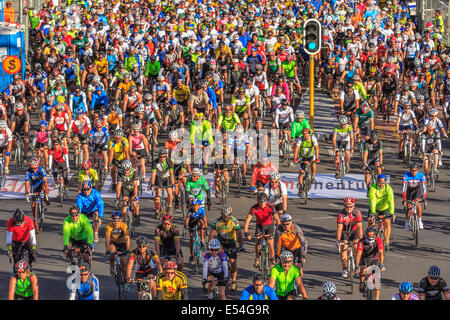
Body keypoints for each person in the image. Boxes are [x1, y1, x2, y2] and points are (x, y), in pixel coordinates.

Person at [209, 205, 244, 292]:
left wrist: (241, 245)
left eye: (227, 216)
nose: (226, 218)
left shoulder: (234, 221)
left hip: (231, 242)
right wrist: (210, 245)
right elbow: (212, 234)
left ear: (230, 215)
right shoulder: (217, 221)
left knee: (233, 262)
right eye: (224, 217)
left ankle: (234, 281)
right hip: (221, 242)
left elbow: (239, 234)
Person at [244, 192, 280, 269]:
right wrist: (246, 232)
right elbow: (248, 220)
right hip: (259, 226)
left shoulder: (271, 207)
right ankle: (257, 258)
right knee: (258, 242)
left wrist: (279, 228)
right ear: (258, 201)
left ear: (266, 201)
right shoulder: (254, 208)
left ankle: (272, 260)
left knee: (270, 243)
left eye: (263, 202)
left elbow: (277, 218)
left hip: (269, 226)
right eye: (260, 202)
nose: (262, 204)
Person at [126, 236, 163, 300]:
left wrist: (161, 273)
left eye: (143, 246)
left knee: (151, 281)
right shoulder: (134, 252)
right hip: (140, 271)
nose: (141, 248)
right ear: (137, 246)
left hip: (150, 269)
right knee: (140, 294)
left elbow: (158, 262)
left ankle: (155, 297)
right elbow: (130, 264)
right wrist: (128, 277)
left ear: (147, 246)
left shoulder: (151, 251)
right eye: (139, 246)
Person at [336, 197, 363, 278]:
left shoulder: (357, 213)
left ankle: (357, 264)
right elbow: (339, 229)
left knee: (356, 246)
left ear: (354, 206)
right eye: (347, 207)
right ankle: (345, 268)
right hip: (345, 232)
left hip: (354, 232)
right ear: (344, 206)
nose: (348, 208)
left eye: (350, 206)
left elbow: (359, 228)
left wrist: (361, 240)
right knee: (344, 247)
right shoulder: (341, 214)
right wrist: (338, 241)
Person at [355, 226, 385, 300]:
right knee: (361, 270)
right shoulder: (361, 241)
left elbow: (381, 253)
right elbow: (358, 254)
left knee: (377, 282)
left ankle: (377, 299)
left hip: (375, 259)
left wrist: (381, 264)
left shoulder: (379, 241)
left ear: (375, 235)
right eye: (368, 236)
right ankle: (362, 282)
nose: (370, 237)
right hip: (364, 258)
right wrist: (356, 265)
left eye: (372, 236)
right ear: (366, 235)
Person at [105, 210, 130, 292]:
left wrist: (128, 250)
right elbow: (108, 239)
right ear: (112, 220)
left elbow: (127, 239)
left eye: (118, 220)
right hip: (113, 242)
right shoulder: (109, 226)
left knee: (124, 263)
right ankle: (112, 267)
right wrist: (107, 250)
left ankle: (126, 283)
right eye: (114, 221)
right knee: (112, 252)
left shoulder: (124, 226)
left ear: (121, 220)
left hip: (122, 243)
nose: (116, 222)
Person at [368, 174, 395, 250]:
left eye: (383, 183)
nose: (381, 184)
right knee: (371, 222)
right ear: (377, 182)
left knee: (387, 222)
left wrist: (391, 212)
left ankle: (386, 242)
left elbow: (391, 201)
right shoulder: (373, 188)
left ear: (385, 182)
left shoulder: (388, 189)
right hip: (375, 208)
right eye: (379, 183)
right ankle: (370, 239)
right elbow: (372, 200)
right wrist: (373, 212)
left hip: (385, 208)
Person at [25, 157, 50, 233]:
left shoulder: (41, 170)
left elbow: (45, 181)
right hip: (34, 186)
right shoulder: (28, 171)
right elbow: (26, 183)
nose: (34, 170)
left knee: (43, 185)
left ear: (38, 166)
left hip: (41, 184)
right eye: (32, 169)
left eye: (35, 168)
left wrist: (46, 192)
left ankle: (45, 198)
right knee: (33, 204)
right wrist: (27, 191)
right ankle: (34, 217)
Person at [293, 128, 320, 195]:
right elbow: (296, 149)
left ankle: (313, 175)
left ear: (309, 134)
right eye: (304, 134)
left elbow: (316, 148)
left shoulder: (313, 138)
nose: (305, 136)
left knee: (313, 164)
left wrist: (317, 158)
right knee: (301, 172)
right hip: (302, 156)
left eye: (307, 134)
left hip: (310, 156)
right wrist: (295, 158)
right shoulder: (300, 139)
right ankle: (300, 188)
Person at [402, 162, 427, 231]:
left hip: (417, 190)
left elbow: (424, 188)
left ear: (418, 170)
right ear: (410, 170)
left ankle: (419, 221)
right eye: (412, 170)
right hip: (409, 191)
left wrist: (424, 198)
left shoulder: (421, 175)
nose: (414, 172)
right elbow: (404, 188)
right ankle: (407, 222)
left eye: (415, 170)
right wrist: (404, 199)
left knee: (418, 204)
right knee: (409, 206)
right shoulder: (406, 175)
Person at [116, 159, 140, 225]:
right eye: (124, 170)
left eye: (128, 170)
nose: (126, 172)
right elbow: (119, 185)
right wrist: (118, 198)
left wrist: (135, 196)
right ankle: (124, 220)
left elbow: (135, 185)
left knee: (134, 202)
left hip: (133, 188)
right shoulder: (120, 172)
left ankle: (137, 215)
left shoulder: (134, 171)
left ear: (130, 168)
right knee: (124, 203)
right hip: (126, 188)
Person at [151, 148, 175, 216]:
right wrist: (152, 184)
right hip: (158, 177)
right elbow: (153, 174)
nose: (162, 158)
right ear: (158, 156)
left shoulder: (169, 161)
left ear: (166, 156)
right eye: (161, 157)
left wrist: (173, 184)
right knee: (157, 193)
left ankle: (170, 207)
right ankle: (157, 210)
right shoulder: (155, 162)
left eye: (164, 156)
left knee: (170, 193)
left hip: (167, 177)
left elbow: (171, 174)